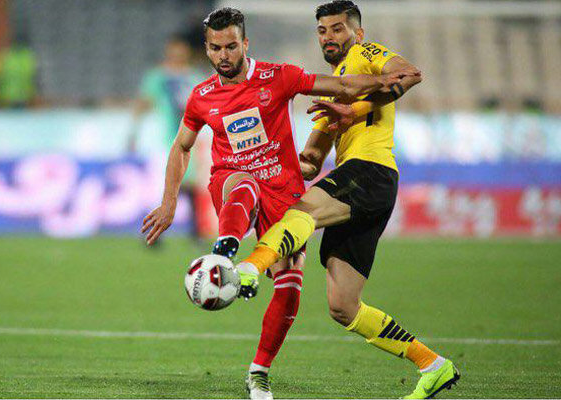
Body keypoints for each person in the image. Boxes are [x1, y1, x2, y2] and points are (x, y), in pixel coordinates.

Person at [140, 7, 413, 400]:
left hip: (283, 194)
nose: (223, 55)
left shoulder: (278, 77)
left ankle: (259, 373)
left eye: (231, 46)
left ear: (245, 44)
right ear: (207, 49)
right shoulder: (201, 97)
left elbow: (340, 86)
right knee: (244, 183)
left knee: (289, 287)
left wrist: (385, 80)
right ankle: (224, 252)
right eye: (215, 48)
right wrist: (168, 204)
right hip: (232, 182)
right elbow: (182, 147)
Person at [234, 1, 459, 399]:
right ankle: (433, 365)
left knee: (303, 212)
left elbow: (410, 73)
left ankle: (251, 268)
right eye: (323, 31)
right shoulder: (331, 91)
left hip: (370, 170)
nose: (329, 37)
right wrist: (268, 159)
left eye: (337, 29)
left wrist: (354, 111)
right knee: (343, 306)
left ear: (357, 32)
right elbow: (309, 162)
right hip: (365, 187)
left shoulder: (365, 55)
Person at [128, 36, 207, 240]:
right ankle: (155, 231)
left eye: (181, 50)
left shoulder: (195, 77)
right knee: (162, 184)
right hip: (163, 140)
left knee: (189, 184)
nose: (177, 54)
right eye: (174, 50)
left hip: (190, 139)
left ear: (187, 52)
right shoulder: (157, 77)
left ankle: (195, 232)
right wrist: (133, 133)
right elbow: (144, 103)